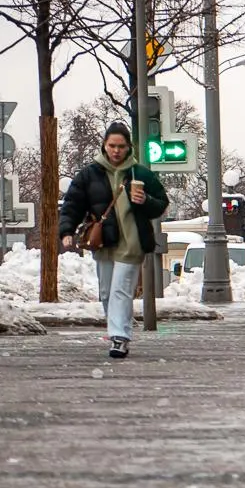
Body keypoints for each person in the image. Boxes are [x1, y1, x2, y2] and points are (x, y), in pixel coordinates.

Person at [57, 121, 169, 359]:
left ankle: (119, 337)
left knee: (121, 290)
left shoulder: (141, 174)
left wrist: (145, 200)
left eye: (121, 146)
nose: (116, 151)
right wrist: (66, 231)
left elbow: (161, 204)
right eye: (112, 145)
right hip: (103, 241)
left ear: (129, 147)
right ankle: (118, 330)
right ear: (104, 146)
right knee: (107, 292)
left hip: (132, 242)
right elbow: (72, 204)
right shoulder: (90, 174)